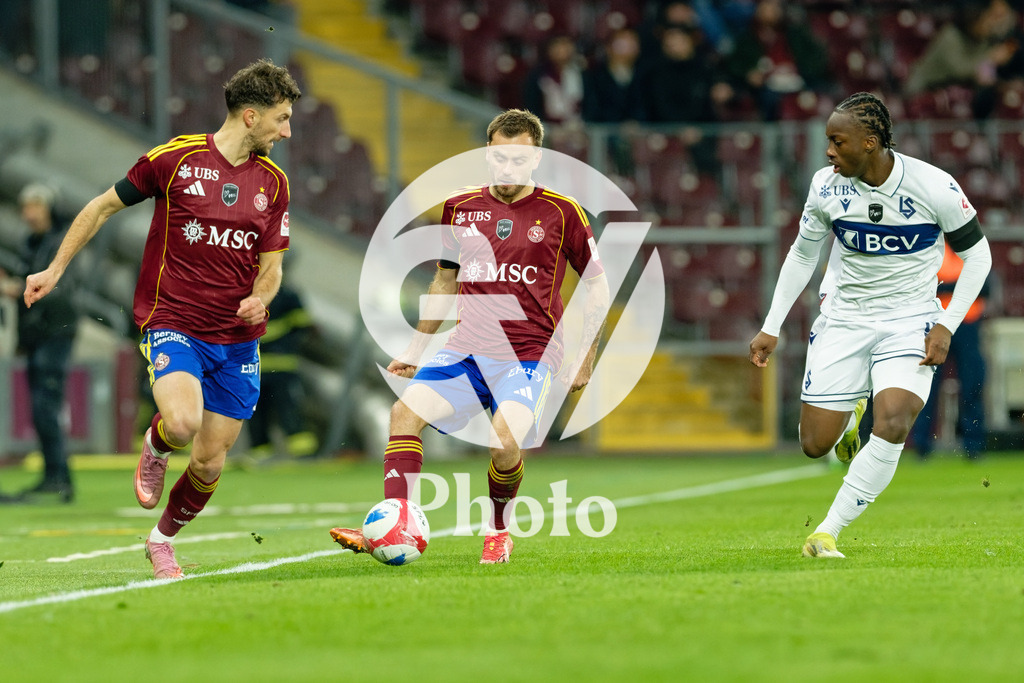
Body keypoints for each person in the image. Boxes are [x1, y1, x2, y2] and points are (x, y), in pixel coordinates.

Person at [24, 58, 301, 578]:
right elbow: (102, 206)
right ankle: (155, 443)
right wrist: (55, 267)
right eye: (280, 119)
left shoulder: (275, 183)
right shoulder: (175, 160)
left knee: (209, 461)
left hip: (238, 340)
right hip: (173, 319)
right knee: (181, 422)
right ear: (249, 116)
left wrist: (262, 297)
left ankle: (161, 541)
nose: (286, 131)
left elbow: (273, 267)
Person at [329, 109, 610, 564]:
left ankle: (498, 531)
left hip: (530, 353)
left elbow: (597, 285)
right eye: (499, 157)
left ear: (535, 159)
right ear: (487, 152)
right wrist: (418, 349)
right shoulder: (461, 207)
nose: (507, 168)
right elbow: (444, 281)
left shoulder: (563, 213)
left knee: (503, 442)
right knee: (404, 414)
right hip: (466, 349)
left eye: (518, 160)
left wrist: (587, 354)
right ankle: (392, 524)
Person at [748, 92, 992, 559]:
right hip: (843, 319)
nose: (829, 152)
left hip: (910, 321)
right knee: (814, 445)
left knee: (895, 421)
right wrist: (772, 325)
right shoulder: (826, 187)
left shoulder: (934, 186)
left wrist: (945, 325)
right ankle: (850, 415)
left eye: (838, 142)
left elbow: (978, 256)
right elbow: (803, 254)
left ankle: (826, 531)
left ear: (870, 142)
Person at [0, 183, 79, 503]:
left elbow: (62, 290)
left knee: (45, 406)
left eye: (35, 206)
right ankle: (54, 477)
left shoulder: (59, 243)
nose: (28, 214)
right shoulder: (32, 242)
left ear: (48, 209)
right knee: (41, 407)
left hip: (55, 333)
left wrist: (15, 288)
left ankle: (59, 479)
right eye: (26, 207)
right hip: (38, 336)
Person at [911, 243, 989, 460]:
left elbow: (986, 286)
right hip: (937, 324)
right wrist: (963, 287)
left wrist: (948, 287)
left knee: (972, 384)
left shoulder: (973, 247)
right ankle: (921, 445)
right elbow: (926, 286)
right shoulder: (933, 246)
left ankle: (973, 445)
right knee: (927, 386)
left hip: (968, 325)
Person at [905, 0, 1024, 119]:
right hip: (924, 92)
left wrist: (1002, 84)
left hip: (958, 99)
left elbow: (985, 77)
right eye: (989, 18)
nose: (992, 24)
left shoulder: (984, 42)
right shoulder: (950, 35)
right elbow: (960, 70)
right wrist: (991, 58)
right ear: (975, 17)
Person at [246, 279, 318, 461]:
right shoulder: (288, 293)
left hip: (256, 367)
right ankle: (303, 455)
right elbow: (305, 328)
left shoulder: (245, 293)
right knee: (287, 409)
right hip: (280, 365)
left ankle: (261, 455)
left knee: (257, 412)